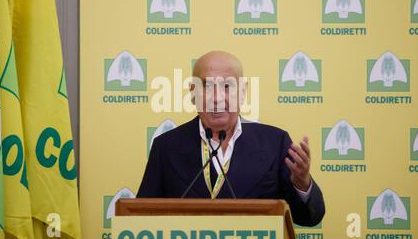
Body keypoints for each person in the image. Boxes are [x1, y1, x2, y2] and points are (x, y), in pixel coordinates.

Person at [138, 51, 325, 226]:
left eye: (227, 86)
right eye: (207, 86)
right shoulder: (166, 147)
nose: (217, 98)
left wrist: (302, 183)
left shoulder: (275, 143)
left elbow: (309, 218)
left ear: (243, 91)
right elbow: (140, 218)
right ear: (193, 93)